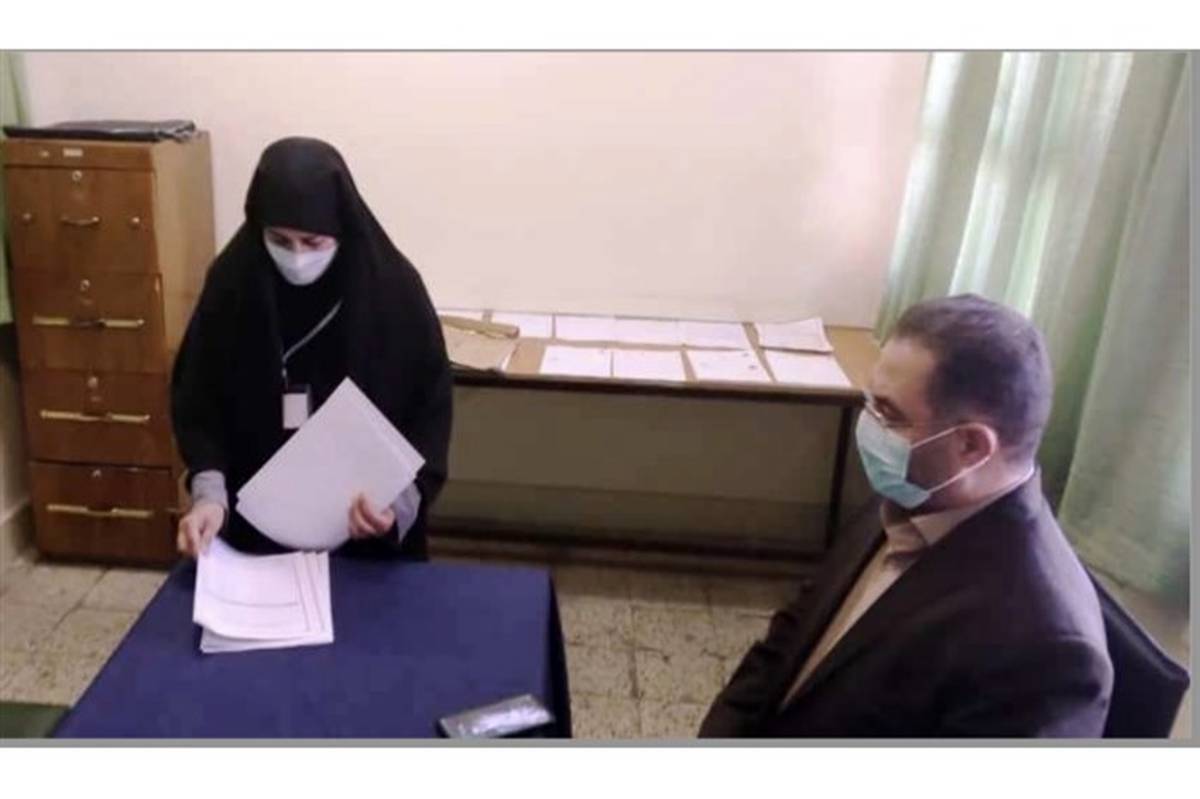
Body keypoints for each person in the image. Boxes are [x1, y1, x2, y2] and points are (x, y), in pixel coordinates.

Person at [700, 294, 1113, 737]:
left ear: (971, 446)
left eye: (888, 414)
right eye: (871, 402)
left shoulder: (1047, 654)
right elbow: (789, 639)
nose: (868, 425)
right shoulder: (915, 493)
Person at [171, 137, 452, 561]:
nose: (297, 257)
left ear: (342, 230)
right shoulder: (232, 284)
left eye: (313, 242)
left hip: (365, 531)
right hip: (254, 531)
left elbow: (429, 408)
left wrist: (397, 507)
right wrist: (209, 497)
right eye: (280, 240)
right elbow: (198, 400)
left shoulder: (392, 292)